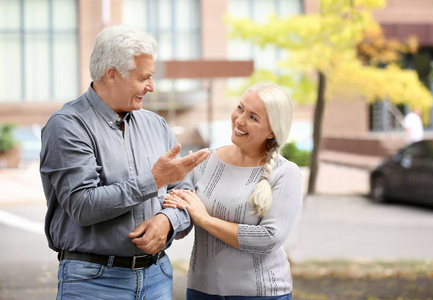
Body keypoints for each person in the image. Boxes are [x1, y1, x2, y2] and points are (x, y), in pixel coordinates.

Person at [39, 25, 209, 299]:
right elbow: (82, 205)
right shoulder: (68, 126)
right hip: (94, 282)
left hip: (157, 276)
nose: (151, 87)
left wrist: (167, 220)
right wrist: (154, 181)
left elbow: (187, 195)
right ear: (112, 75)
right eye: (144, 78)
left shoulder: (156, 124)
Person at [164, 82, 303, 299]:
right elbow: (181, 223)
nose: (239, 120)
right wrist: (167, 209)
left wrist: (205, 219)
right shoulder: (204, 161)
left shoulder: (285, 173)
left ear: (271, 131)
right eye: (240, 108)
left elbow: (269, 238)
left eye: (253, 117)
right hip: (202, 289)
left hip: (261, 294)